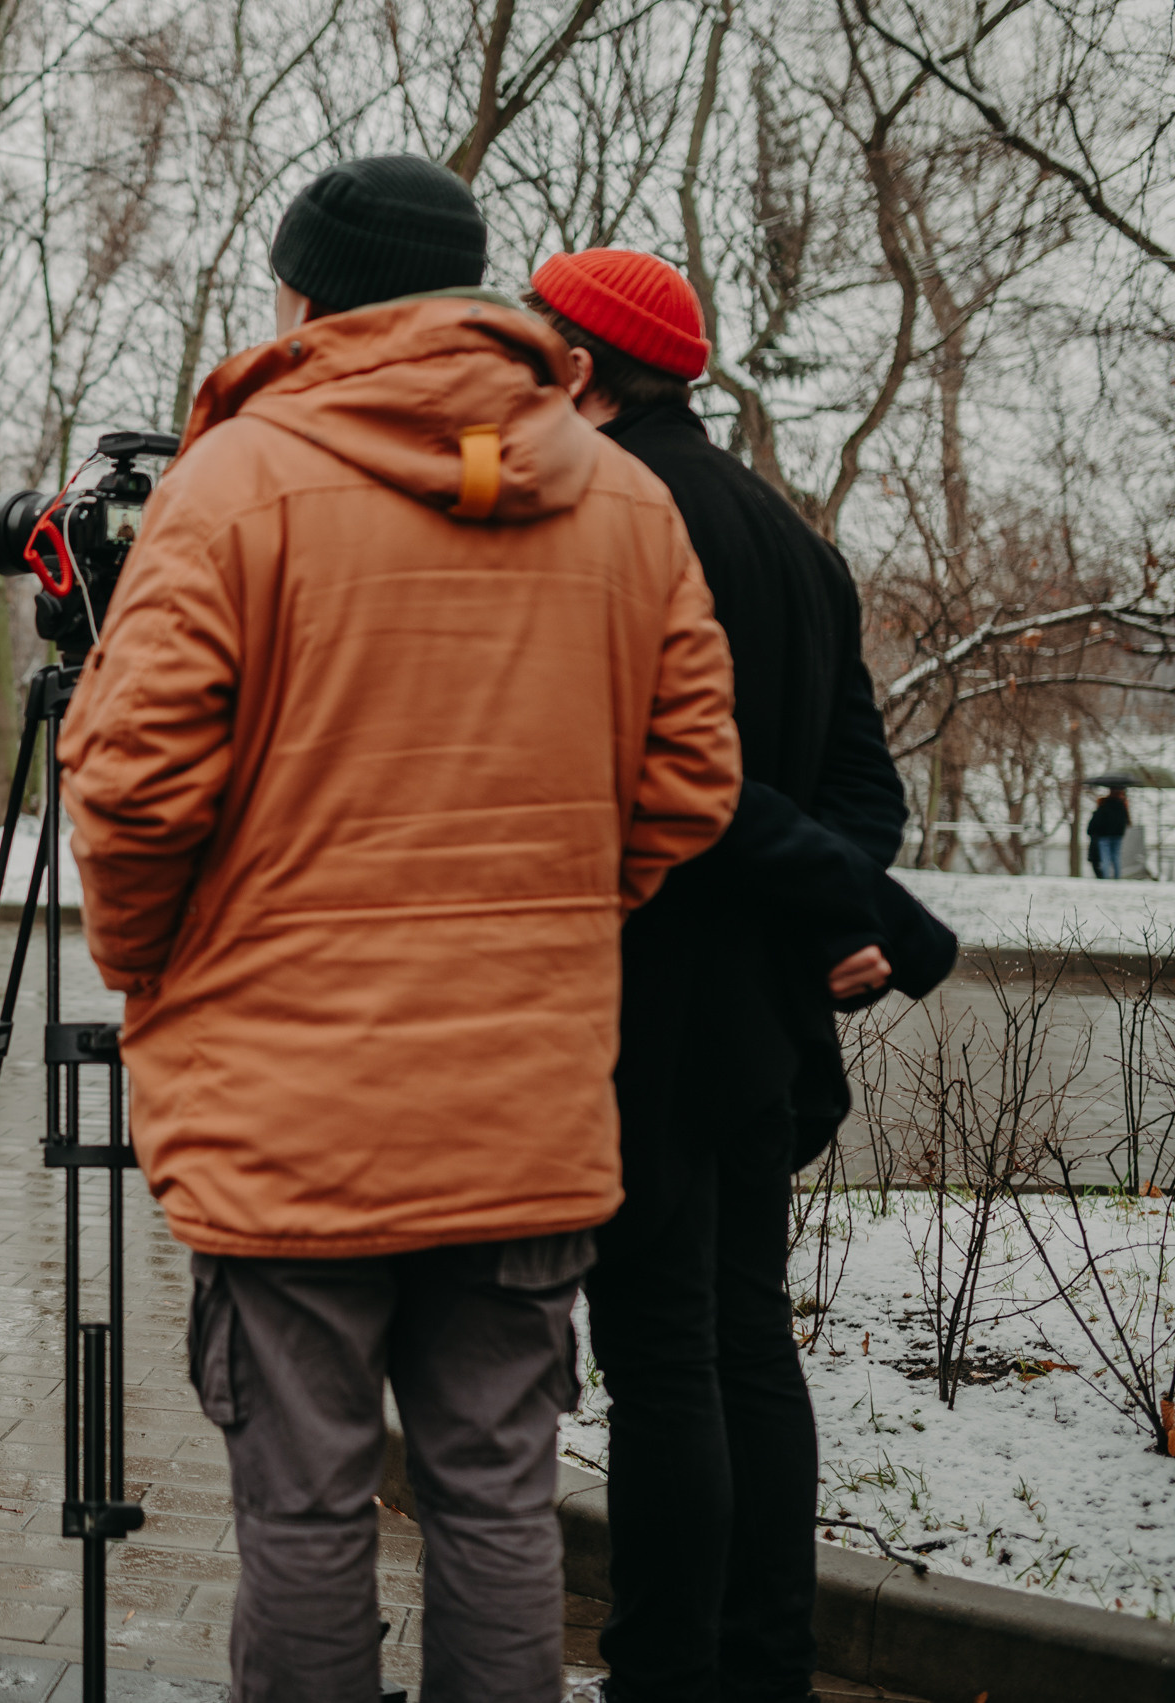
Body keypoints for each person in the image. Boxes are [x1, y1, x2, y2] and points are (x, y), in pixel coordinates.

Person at [58, 156, 743, 1703]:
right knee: (500, 1497)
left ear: (303, 298)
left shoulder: (233, 483)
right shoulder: (623, 497)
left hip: (288, 1104)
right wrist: (553, 922)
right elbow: (695, 780)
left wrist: (157, 958)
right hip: (522, 1101)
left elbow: (132, 789)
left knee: (303, 1502)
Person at [524, 249, 955, 1703]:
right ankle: (766, 1664)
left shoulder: (598, 514)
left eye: (537, 341)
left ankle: (662, 1671)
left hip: (639, 992)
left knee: (661, 1355)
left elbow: (626, 773)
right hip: (766, 1013)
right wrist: (813, 923)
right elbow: (859, 791)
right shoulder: (793, 539)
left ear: (583, 366)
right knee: (750, 1338)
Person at [1091, 786, 1130, 878]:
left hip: (1104, 835)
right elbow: (1126, 821)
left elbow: (1098, 821)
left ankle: (1106, 876)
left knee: (1105, 857)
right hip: (1117, 835)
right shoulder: (1122, 806)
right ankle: (1117, 876)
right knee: (1116, 856)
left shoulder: (1104, 805)